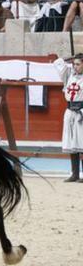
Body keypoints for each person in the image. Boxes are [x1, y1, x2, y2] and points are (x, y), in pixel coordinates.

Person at [54, 54, 83, 182]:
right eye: (74, 64)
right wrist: (70, 58)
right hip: (70, 111)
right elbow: (57, 63)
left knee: (82, 143)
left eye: (78, 64)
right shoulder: (69, 76)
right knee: (72, 143)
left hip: (81, 112)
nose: (75, 66)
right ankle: (75, 174)